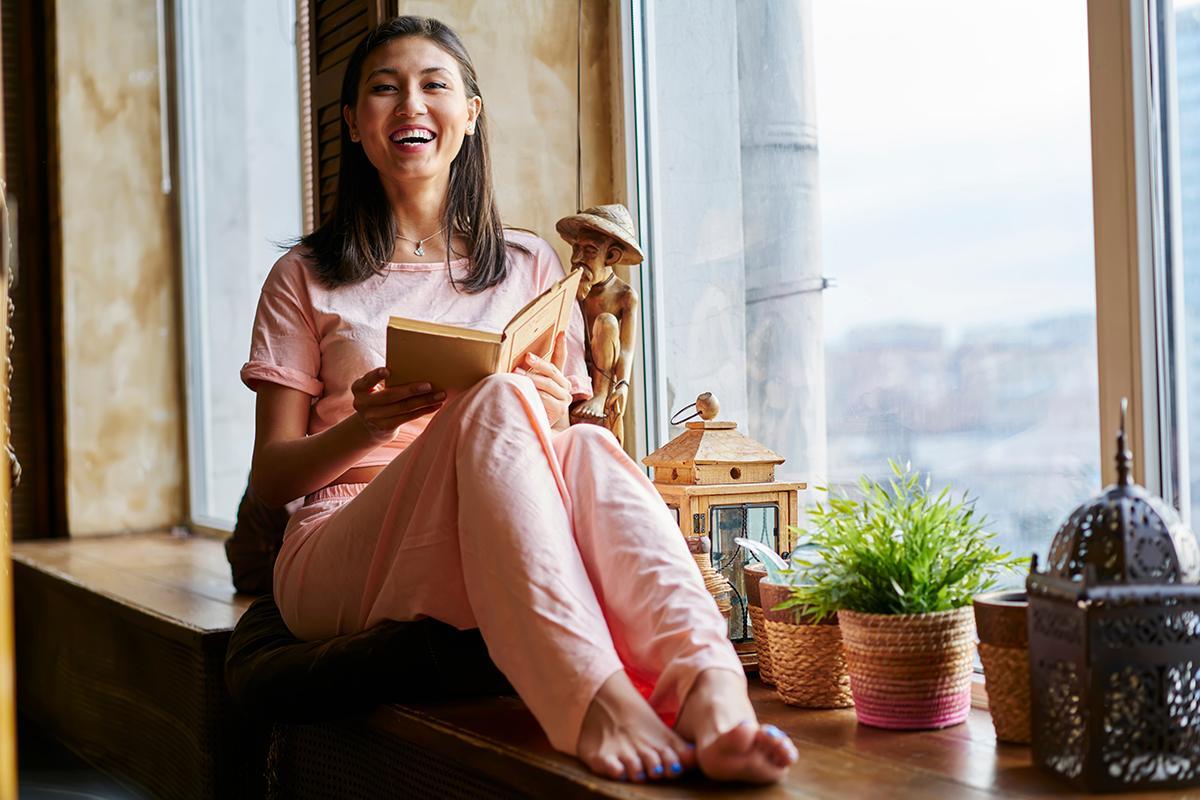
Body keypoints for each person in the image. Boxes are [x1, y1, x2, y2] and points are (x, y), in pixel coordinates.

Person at [241, 15, 798, 784]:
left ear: (469, 115)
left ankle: (713, 690)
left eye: (435, 85)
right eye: (384, 88)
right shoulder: (304, 275)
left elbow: (560, 453)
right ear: (354, 125)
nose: (411, 104)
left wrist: (547, 404)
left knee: (587, 443)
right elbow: (270, 480)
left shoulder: (531, 263)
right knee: (502, 402)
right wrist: (365, 427)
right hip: (342, 542)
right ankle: (592, 696)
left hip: (488, 532)